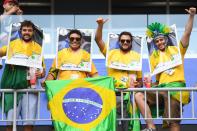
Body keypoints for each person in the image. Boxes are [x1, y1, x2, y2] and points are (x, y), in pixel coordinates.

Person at [135, 7, 196, 131]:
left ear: (166, 40)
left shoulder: (177, 50)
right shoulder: (155, 58)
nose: (159, 42)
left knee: (173, 123)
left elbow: (187, 33)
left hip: (175, 90)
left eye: (161, 39)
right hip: (161, 89)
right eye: (156, 41)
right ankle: (151, 127)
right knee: (139, 95)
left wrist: (192, 16)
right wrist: (145, 84)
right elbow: (158, 81)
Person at [95, 17, 143, 131]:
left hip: (130, 97)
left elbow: (140, 82)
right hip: (113, 94)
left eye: (128, 41)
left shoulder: (136, 57)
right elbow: (98, 40)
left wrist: (138, 84)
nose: (125, 42)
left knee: (129, 126)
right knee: (113, 125)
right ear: (119, 42)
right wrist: (100, 25)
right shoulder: (111, 53)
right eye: (122, 40)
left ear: (131, 42)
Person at [0, 20, 45, 131]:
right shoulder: (12, 44)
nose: (27, 32)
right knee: (10, 124)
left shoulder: (38, 47)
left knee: (28, 124)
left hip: (30, 87)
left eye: (29, 30)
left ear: (33, 32)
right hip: (12, 87)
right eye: (24, 30)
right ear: (20, 31)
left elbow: (42, 70)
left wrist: (41, 73)